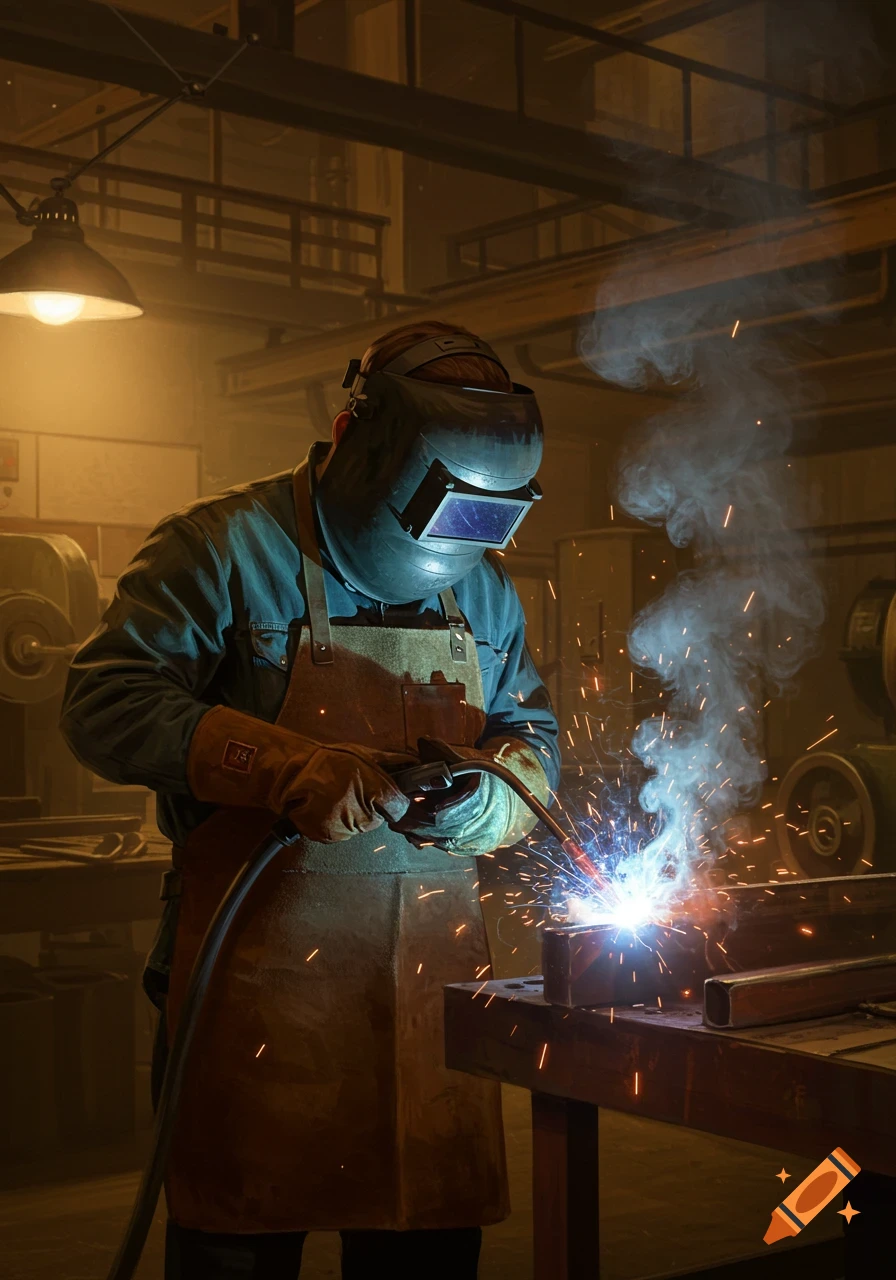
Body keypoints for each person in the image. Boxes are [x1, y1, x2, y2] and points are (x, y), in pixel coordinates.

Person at [60, 320, 560, 1280]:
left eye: (483, 519)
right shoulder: (222, 550)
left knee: (424, 1252)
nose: (455, 540)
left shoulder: (487, 596)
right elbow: (103, 701)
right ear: (351, 436)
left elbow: (531, 745)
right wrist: (277, 764)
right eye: (439, 506)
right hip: (253, 1002)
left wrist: (479, 804)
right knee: (238, 1245)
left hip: (431, 1009)